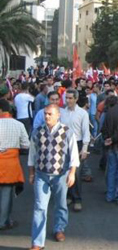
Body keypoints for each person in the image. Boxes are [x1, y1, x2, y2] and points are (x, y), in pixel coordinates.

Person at [28, 104, 79, 250]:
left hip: (60, 175)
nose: (47, 116)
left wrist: (72, 173)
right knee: (39, 208)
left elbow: (74, 153)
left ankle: (59, 228)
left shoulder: (67, 131)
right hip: (41, 175)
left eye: (50, 114)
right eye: (45, 114)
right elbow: (32, 153)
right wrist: (31, 173)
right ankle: (37, 242)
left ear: (58, 115)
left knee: (60, 204)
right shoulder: (37, 131)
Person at [0, 99, 30, 231]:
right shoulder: (18, 125)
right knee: (6, 193)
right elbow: (26, 145)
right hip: (11, 163)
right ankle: (3, 221)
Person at [62, 89, 90, 212]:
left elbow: (86, 132)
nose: (67, 100)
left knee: (76, 173)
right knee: (65, 171)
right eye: (66, 98)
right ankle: (68, 195)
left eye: (70, 98)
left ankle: (77, 199)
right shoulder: (62, 112)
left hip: (77, 144)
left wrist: (84, 149)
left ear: (76, 99)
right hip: (63, 144)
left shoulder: (82, 113)